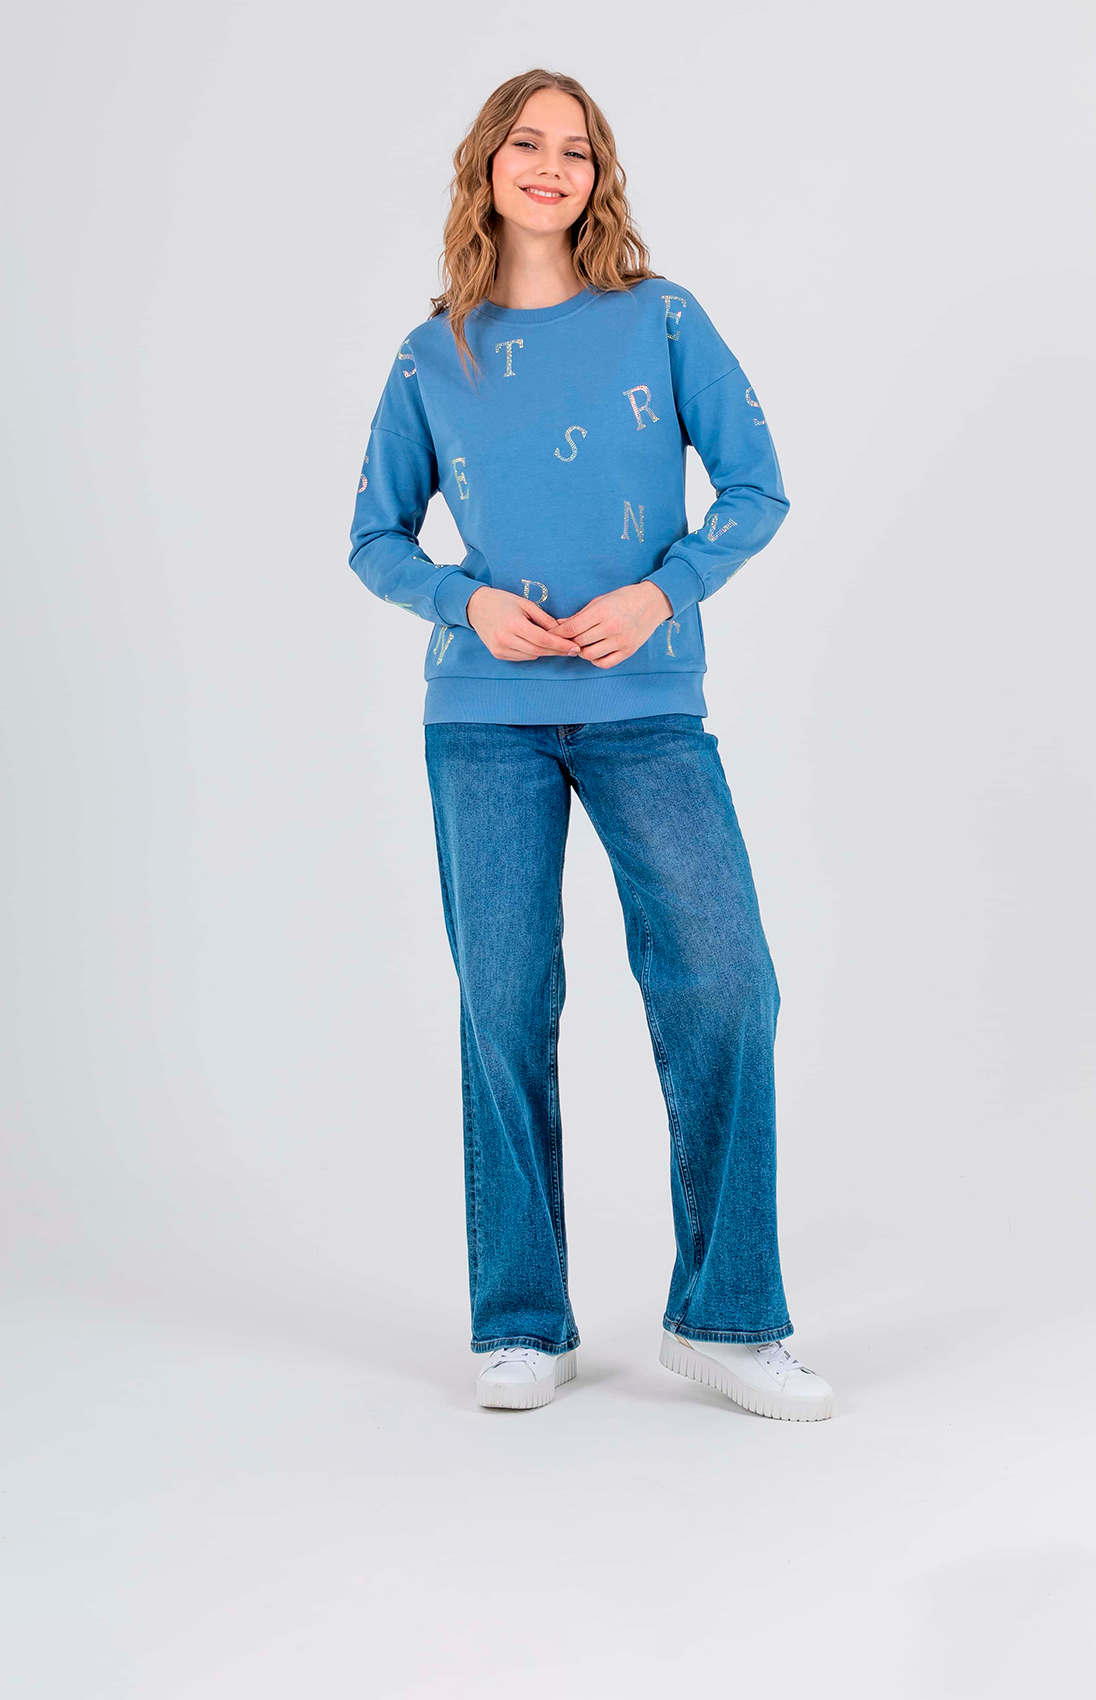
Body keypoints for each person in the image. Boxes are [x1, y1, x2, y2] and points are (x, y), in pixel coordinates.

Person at [348, 68, 834, 1422]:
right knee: (504, 1006)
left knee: (726, 983)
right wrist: (464, 603)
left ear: (598, 176)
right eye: (528, 143)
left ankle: (727, 1319)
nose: (551, 167)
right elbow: (374, 537)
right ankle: (521, 1321)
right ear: (486, 165)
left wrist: (661, 594)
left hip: (646, 709)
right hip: (481, 723)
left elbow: (755, 488)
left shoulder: (661, 318)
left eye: (577, 149)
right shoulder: (431, 353)